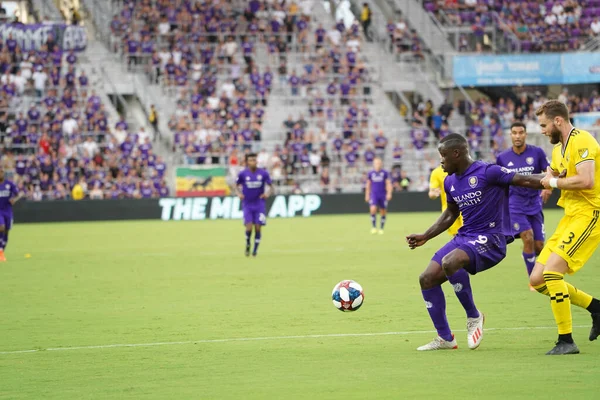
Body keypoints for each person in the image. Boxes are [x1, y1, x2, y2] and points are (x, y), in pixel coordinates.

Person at [406, 134, 549, 351]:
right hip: (466, 236)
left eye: (443, 156)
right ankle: (445, 338)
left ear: (456, 154)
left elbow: (524, 180)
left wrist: (554, 179)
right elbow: (451, 213)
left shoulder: (488, 172)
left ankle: (474, 316)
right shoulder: (450, 181)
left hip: (491, 238)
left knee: (450, 262)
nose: (441, 162)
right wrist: (426, 235)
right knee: (426, 278)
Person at [530, 100, 600, 355]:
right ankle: (595, 307)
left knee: (552, 274)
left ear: (558, 121)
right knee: (537, 280)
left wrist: (554, 183)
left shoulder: (582, 140)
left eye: (544, 125)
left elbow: (586, 180)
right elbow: (554, 174)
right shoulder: (559, 149)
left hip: (590, 214)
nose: (543, 130)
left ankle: (566, 340)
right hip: (570, 216)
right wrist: (549, 182)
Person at [496, 121, 552, 286]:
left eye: (521, 132)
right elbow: (497, 180)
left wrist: (548, 187)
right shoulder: (502, 158)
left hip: (535, 203)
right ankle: (534, 282)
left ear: (525, 134)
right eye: (514, 133)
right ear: (511, 135)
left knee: (539, 246)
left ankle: (533, 263)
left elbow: (548, 171)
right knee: (527, 238)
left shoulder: (537, 153)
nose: (518, 136)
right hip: (515, 205)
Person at [236, 153, 272, 257]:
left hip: (259, 204)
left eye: (254, 160)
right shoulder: (243, 174)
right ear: (247, 162)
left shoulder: (263, 173)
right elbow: (236, 186)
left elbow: (271, 186)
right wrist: (239, 194)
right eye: (251, 160)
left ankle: (255, 250)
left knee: (258, 228)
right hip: (247, 204)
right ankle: (248, 243)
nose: (253, 162)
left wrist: (267, 194)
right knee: (249, 228)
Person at [428, 164, 463, 236]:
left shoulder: (463, 167)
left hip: (466, 206)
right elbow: (431, 193)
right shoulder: (436, 172)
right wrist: (434, 194)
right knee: (457, 236)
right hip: (449, 209)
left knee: (470, 234)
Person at [365, 158, 392, 234]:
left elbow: (388, 183)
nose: (377, 165)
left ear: (381, 164)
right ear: (373, 164)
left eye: (379, 163)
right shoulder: (371, 173)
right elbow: (368, 184)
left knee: (383, 211)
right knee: (373, 209)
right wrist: (367, 195)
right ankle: (374, 227)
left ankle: (381, 228)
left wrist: (389, 193)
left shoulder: (384, 173)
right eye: (376, 163)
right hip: (374, 194)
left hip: (382, 194)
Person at [0, 166, 22, 261]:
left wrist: (14, 199)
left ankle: (1, 251)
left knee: (6, 231)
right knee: (2, 227)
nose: (0, 173)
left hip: (8, 211)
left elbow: (18, 194)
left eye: (1, 172)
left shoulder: (9, 184)